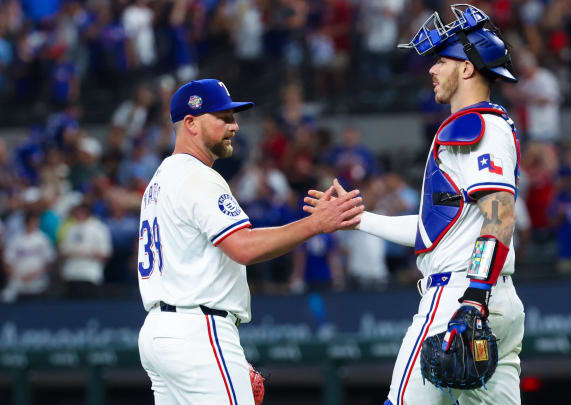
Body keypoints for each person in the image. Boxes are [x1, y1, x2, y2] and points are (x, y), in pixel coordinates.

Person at [306, 5, 524, 404]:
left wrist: (474, 297)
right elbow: (435, 230)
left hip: (460, 295)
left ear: (468, 69)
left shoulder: (474, 125)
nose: (432, 70)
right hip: (498, 300)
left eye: (443, 60)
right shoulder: (490, 124)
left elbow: (500, 217)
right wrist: (359, 219)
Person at [136, 78, 363, 404]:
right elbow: (243, 246)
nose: (235, 126)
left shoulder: (160, 179)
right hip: (198, 329)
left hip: (161, 331)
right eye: (224, 118)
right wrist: (315, 224)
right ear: (191, 123)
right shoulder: (197, 176)